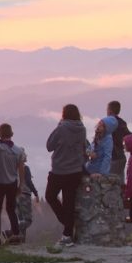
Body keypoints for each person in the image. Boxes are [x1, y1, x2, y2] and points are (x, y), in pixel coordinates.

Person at [45, 104, 89, 247]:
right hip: (76, 170)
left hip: (59, 170)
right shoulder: (82, 129)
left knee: (50, 196)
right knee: (69, 201)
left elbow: (49, 146)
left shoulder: (61, 128)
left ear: (64, 114)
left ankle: (67, 224)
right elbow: (83, 147)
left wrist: (59, 125)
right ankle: (68, 234)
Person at [0, 123, 25, 245]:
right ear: (12, 134)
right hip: (12, 183)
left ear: (1, 134)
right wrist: (21, 185)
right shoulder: (18, 151)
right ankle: (16, 233)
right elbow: (21, 169)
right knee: (11, 209)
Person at [107, 101, 132, 182]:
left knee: (109, 183)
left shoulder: (106, 123)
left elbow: (99, 140)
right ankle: (121, 194)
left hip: (112, 157)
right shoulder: (122, 123)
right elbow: (130, 136)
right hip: (121, 156)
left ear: (110, 110)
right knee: (120, 182)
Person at [17, 162, 40, 240]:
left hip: (16, 196)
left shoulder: (13, 168)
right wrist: (36, 193)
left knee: (21, 219)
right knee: (27, 220)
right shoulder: (25, 168)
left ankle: (20, 240)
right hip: (25, 195)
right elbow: (29, 181)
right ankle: (12, 230)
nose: (26, 156)